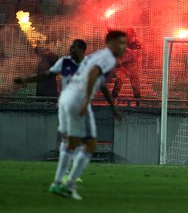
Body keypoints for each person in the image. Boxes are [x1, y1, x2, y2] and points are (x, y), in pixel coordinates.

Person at [14, 40, 121, 184]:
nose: (71, 50)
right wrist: (26, 79)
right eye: (70, 47)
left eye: (74, 48)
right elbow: (46, 75)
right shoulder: (64, 62)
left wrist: (113, 106)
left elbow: (102, 86)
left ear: (82, 49)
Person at [49, 31, 127, 200]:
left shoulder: (99, 56)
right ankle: (65, 184)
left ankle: (60, 183)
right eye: (121, 43)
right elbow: (92, 76)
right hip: (77, 99)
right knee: (83, 144)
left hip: (71, 97)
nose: (124, 47)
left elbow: (100, 83)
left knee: (76, 143)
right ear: (111, 43)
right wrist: (85, 102)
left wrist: (112, 106)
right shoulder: (107, 58)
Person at [111, 27, 142, 100]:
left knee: (135, 84)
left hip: (133, 66)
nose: (132, 38)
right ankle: (113, 98)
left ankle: (138, 101)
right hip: (123, 66)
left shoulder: (137, 43)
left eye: (133, 36)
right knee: (119, 80)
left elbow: (140, 53)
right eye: (130, 36)